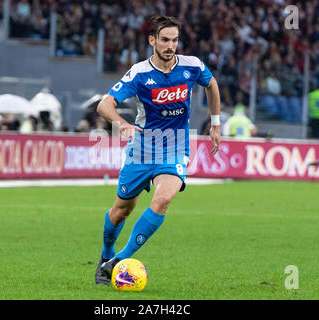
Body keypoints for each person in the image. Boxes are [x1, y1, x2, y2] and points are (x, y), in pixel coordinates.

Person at [94, 15, 221, 285]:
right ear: (152, 40)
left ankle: (117, 261)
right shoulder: (139, 73)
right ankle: (106, 253)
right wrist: (122, 124)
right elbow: (104, 105)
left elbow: (211, 84)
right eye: (164, 40)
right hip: (142, 149)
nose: (170, 45)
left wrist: (216, 123)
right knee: (121, 210)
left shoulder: (192, 66)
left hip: (175, 147)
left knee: (163, 200)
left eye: (174, 40)